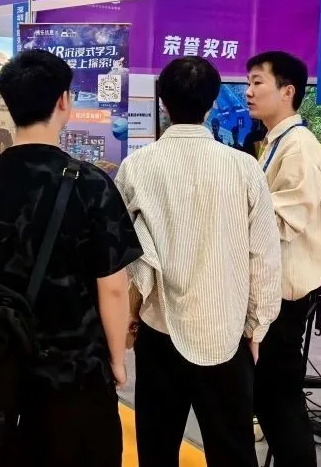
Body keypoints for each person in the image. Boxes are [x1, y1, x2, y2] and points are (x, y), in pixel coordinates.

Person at [0, 50, 142, 466]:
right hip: (77, 371)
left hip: (3, 370)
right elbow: (113, 287)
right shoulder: (91, 184)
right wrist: (116, 361)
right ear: (63, 100)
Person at [115, 56, 281, 467]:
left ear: (163, 102)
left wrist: (126, 320)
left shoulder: (136, 167)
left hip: (159, 329)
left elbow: (120, 256)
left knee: (157, 451)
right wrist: (257, 327)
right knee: (233, 452)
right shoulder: (244, 168)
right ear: (211, 104)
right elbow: (263, 257)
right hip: (226, 332)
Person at [245, 51, 321, 467]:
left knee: (279, 401)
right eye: (249, 82)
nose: (248, 91)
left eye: (257, 82)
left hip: (285, 297)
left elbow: (285, 218)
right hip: (273, 291)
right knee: (271, 398)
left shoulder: (298, 148)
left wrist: (231, 210)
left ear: (287, 91)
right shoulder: (276, 142)